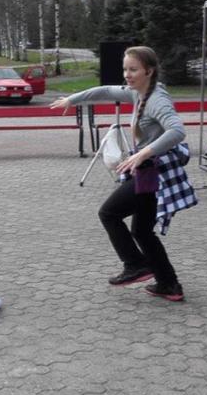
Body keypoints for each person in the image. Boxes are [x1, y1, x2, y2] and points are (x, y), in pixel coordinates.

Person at [50, 46, 195, 302]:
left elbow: (177, 131)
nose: (127, 75)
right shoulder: (138, 93)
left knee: (109, 213)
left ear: (148, 71)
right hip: (149, 171)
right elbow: (105, 90)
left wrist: (142, 153)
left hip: (152, 173)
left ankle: (136, 265)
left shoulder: (156, 100)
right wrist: (73, 99)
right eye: (125, 69)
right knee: (142, 231)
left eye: (133, 69)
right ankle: (169, 284)